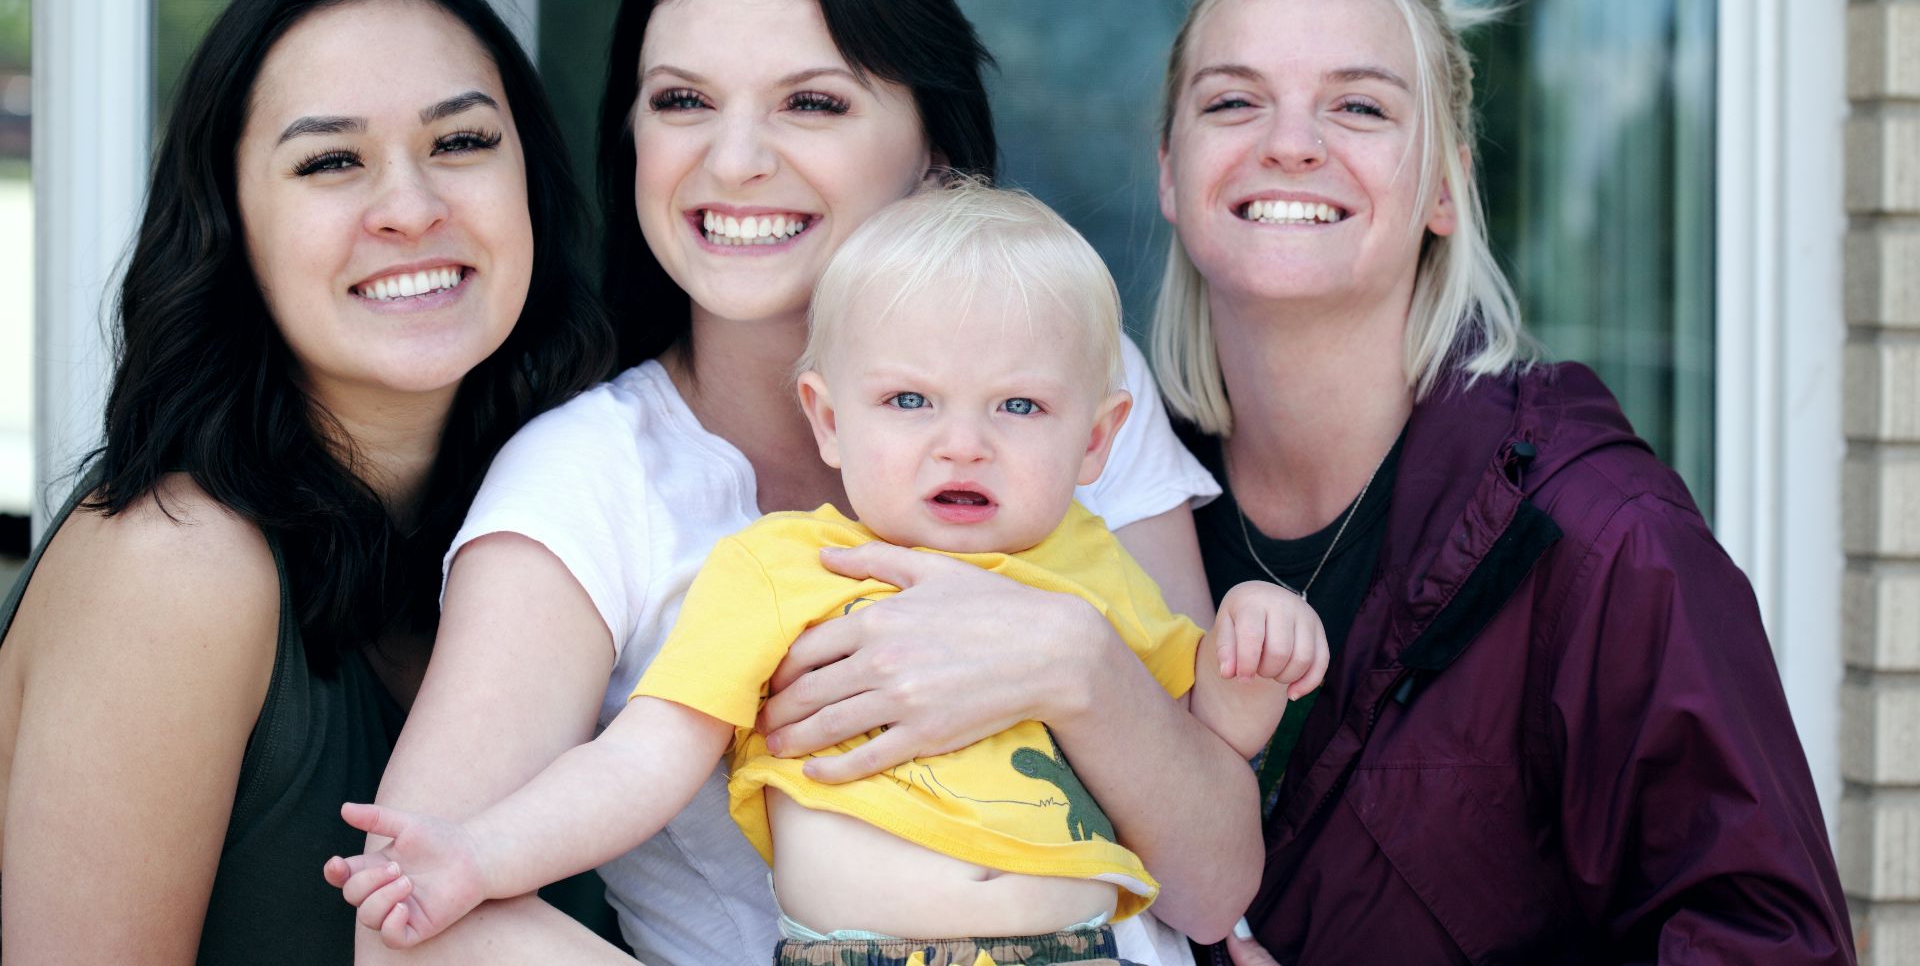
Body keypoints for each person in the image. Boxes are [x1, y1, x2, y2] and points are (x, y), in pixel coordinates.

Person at [354, 0, 1263, 964]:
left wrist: (1075, 663)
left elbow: (1210, 893)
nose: (735, 160)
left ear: (934, 150)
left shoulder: (1063, 382)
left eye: (813, 103)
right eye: (682, 99)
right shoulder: (585, 480)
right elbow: (409, 935)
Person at [331, 185, 1327, 965]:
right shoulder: (780, 570)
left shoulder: (1091, 568)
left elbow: (1204, 741)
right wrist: (478, 856)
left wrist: (1253, 647)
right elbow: (641, 762)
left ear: (1097, 438)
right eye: (909, 400)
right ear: (830, 417)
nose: (962, 446)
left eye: (1019, 408)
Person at [1146, 0, 1856, 965]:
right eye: (1232, 101)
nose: (1290, 142)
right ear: (1170, 174)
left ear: (1444, 188)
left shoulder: (1603, 538)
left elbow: (1769, 947)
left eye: (1359, 106)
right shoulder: (1101, 505)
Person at [0, 0, 612, 964]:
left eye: (460, 141)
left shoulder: (559, 530)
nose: (412, 208)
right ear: (231, 227)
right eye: (331, 161)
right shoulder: (176, 565)